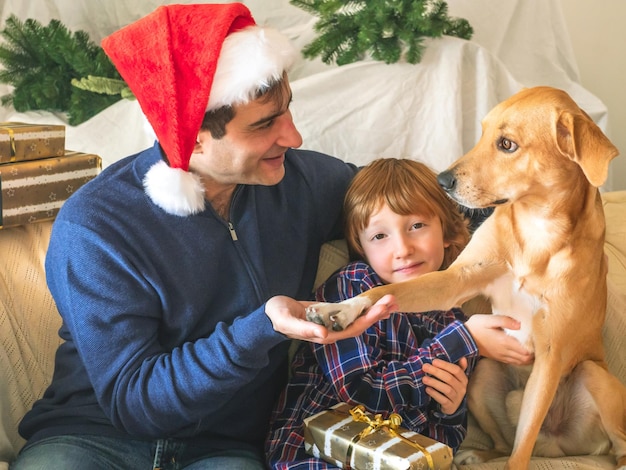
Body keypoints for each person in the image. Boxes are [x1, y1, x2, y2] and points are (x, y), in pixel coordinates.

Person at [10, 4, 395, 470]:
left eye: (286, 110)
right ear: (191, 137)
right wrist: (261, 328)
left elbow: (417, 203)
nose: (293, 137)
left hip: (224, 448)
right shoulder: (95, 226)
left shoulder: (300, 183)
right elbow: (135, 404)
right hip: (91, 438)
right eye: (264, 124)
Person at [266, 158, 533, 468]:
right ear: (362, 247)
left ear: (446, 232)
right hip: (314, 455)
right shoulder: (355, 288)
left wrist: (451, 410)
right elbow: (362, 393)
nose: (403, 248)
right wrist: (465, 338)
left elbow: (440, 445)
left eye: (416, 226)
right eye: (380, 236)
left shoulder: (450, 319)